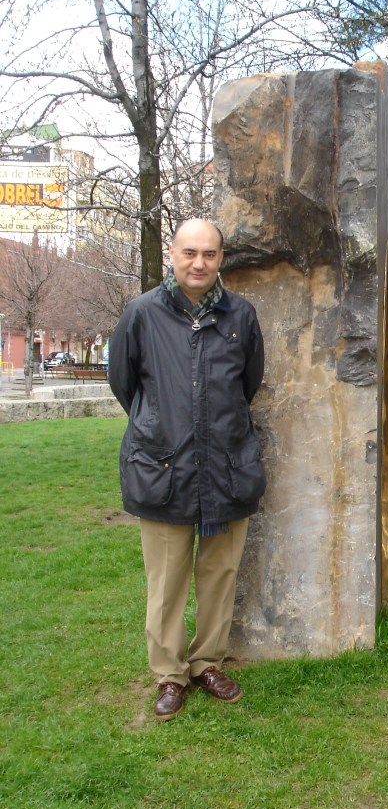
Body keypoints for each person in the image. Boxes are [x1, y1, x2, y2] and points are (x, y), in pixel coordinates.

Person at [109, 219, 265, 721]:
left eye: (210, 254)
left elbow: (248, 384)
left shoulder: (240, 315)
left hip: (225, 467)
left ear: (221, 259)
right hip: (163, 468)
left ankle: (207, 663)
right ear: (172, 255)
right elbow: (124, 383)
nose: (199, 263)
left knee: (219, 574)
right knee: (167, 580)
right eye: (189, 252)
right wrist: (160, 423)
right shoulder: (141, 314)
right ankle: (170, 674)